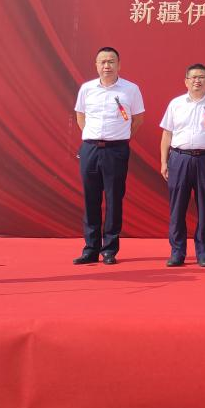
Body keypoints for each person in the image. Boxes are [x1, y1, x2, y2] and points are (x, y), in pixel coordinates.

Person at [73, 47, 145, 265]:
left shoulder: (130, 89)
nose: (107, 66)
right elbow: (80, 116)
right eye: (103, 62)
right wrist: (93, 137)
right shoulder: (87, 89)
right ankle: (90, 248)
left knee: (114, 199)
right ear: (96, 65)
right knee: (91, 198)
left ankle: (109, 250)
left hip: (116, 150)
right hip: (90, 149)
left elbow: (138, 119)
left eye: (111, 61)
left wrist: (120, 137)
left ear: (119, 65)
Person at [159, 63, 205, 268]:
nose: (197, 81)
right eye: (193, 77)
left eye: (201, 77)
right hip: (179, 158)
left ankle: (204, 253)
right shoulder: (176, 104)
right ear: (186, 81)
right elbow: (167, 134)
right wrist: (164, 161)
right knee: (177, 208)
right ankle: (177, 252)